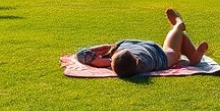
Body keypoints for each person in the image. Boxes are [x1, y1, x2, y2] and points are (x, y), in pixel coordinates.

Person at [75, 8, 209, 77]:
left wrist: (105, 49)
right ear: (137, 61)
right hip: (161, 55)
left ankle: (193, 55)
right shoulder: (143, 64)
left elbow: (81, 54)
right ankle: (179, 24)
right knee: (178, 35)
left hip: (145, 47)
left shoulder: (112, 63)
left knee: (181, 38)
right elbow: (83, 54)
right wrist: (106, 51)